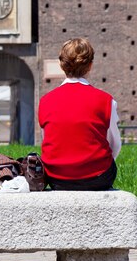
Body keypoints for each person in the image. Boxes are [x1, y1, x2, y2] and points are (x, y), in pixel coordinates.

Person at [38, 38, 121, 190]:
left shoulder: (45, 101)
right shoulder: (106, 100)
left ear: (62, 65)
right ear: (90, 65)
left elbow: (48, 140)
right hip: (98, 177)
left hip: (56, 178)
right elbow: (115, 144)